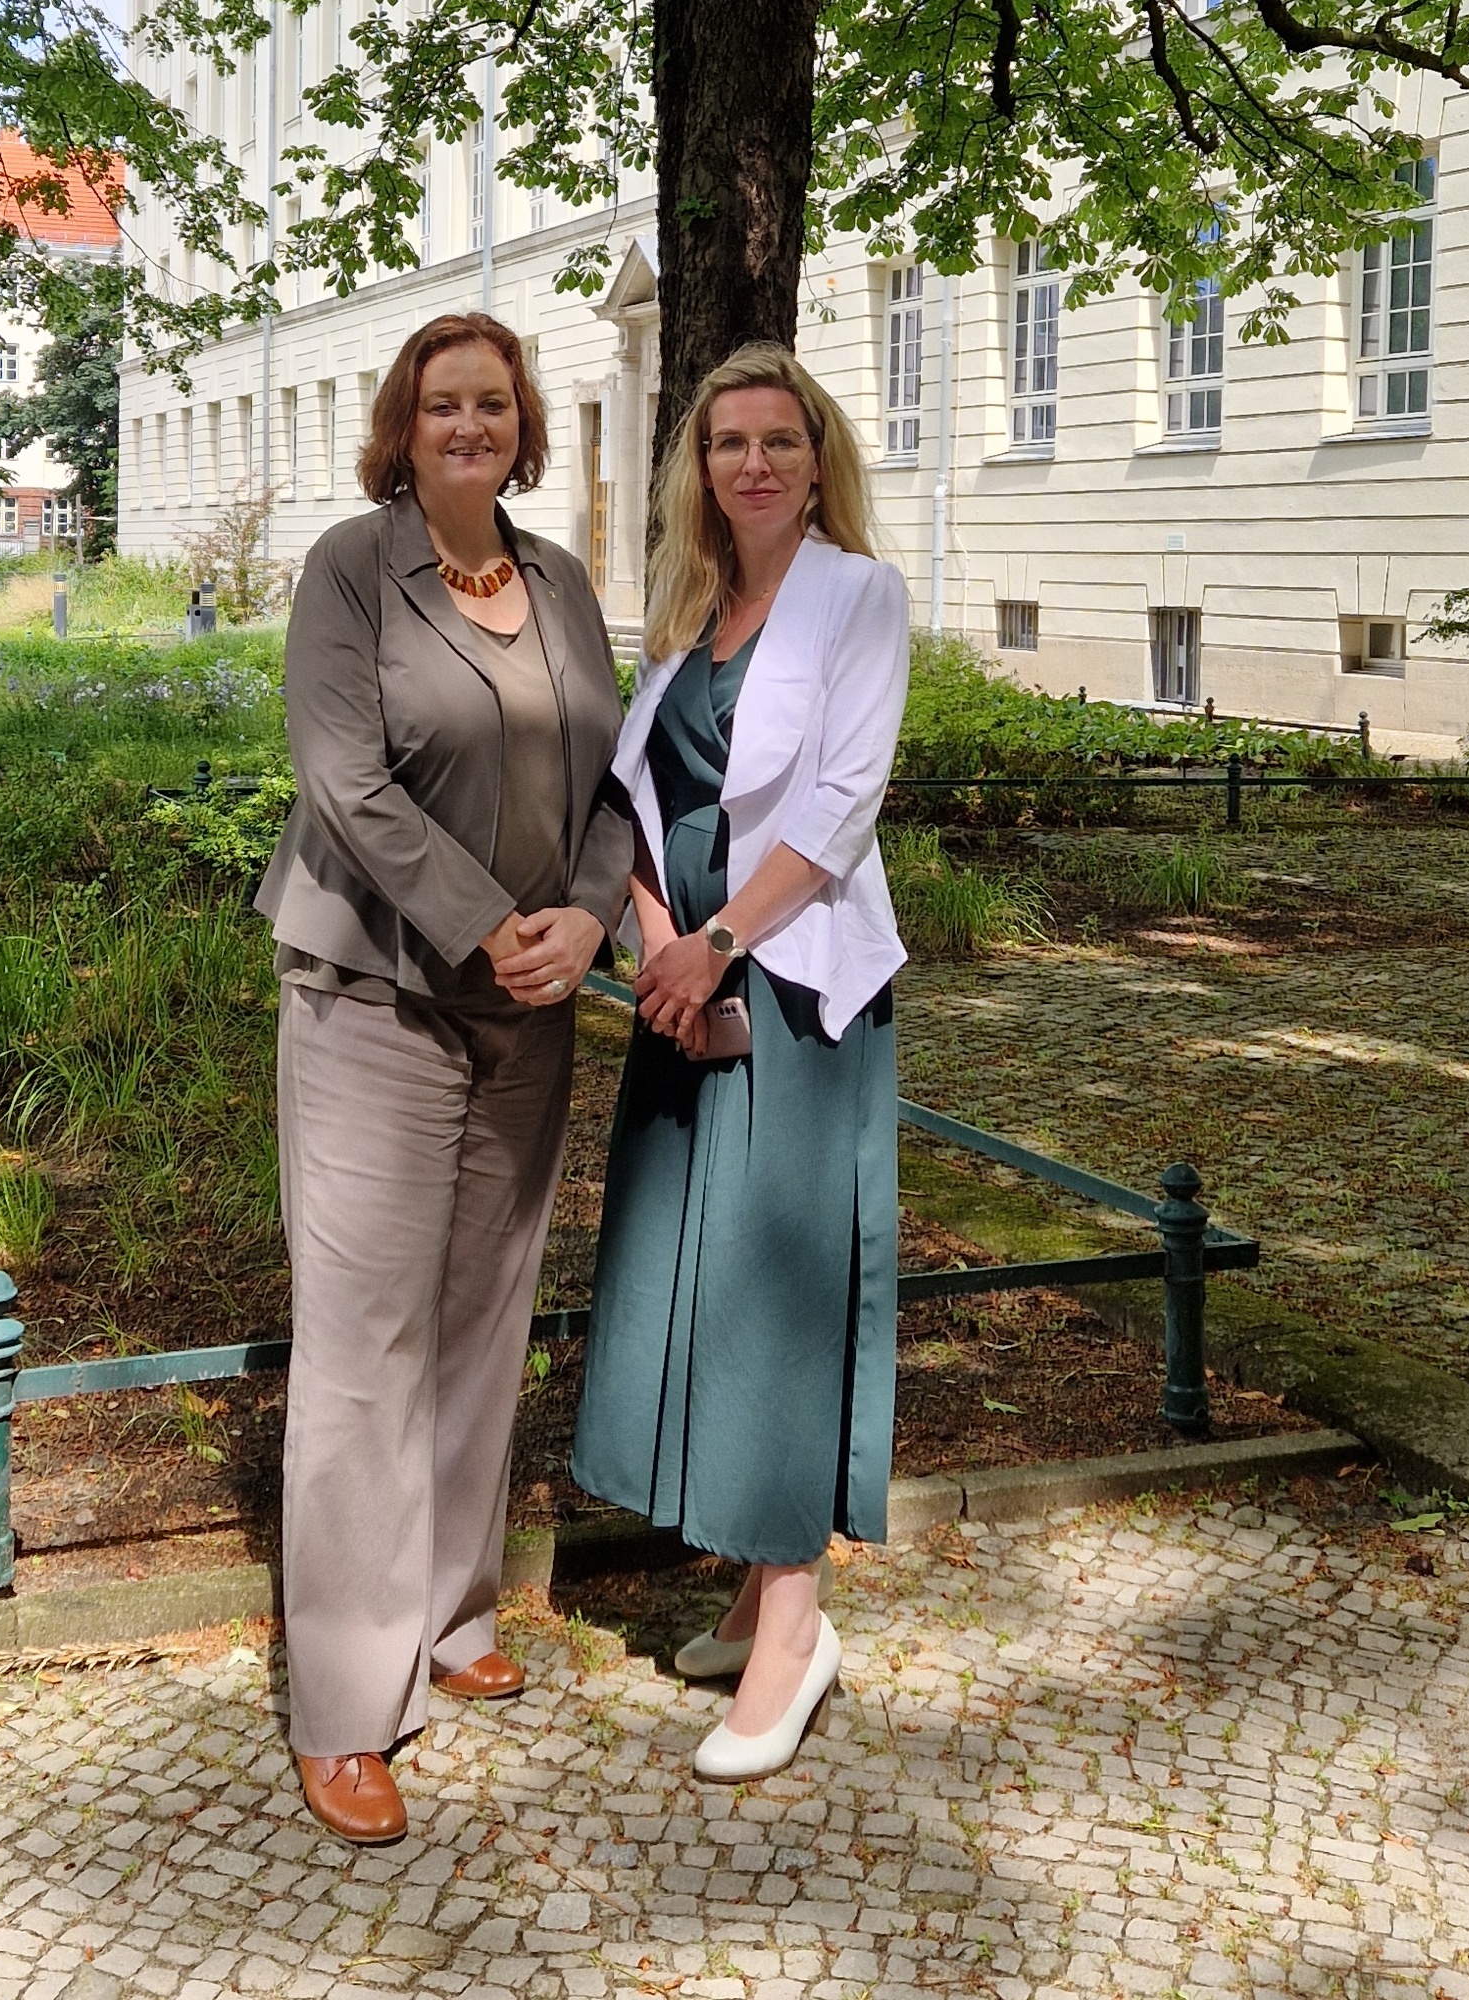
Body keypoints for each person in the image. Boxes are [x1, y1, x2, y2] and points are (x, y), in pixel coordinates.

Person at [254, 313, 632, 1845]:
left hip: (531, 1005)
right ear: (403, 426)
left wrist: (590, 921)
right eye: (441, 403)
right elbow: (341, 784)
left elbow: (619, 781)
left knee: (486, 1311)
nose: (469, 423)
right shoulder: (352, 568)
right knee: (364, 1337)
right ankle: (346, 1704)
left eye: (493, 401)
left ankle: (453, 1615)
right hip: (377, 993)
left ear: (521, 423)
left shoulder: (560, 582)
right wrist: (492, 927)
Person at [571, 342, 910, 1782]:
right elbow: (640, 793)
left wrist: (717, 943)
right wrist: (660, 946)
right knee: (691, 1278)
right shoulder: (690, 610)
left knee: (778, 1293)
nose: (755, 464)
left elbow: (840, 803)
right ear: (699, 472)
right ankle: (747, 1586)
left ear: (818, 459)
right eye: (729, 445)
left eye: (781, 440)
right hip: (687, 976)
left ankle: (795, 1630)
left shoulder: (858, 596)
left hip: (794, 981)